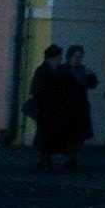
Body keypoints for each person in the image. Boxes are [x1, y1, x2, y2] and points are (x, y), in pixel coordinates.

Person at [27, 44, 71, 173]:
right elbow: (36, 89)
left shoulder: (57, 70)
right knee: (47, 136)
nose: (60, 59)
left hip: (55, 109)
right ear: (53, 57)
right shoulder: (43, 70)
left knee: (49, 136)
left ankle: (44, 160)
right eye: (59, 56)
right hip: (46, 109)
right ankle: (46, 162)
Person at [62, 45, 99, 170]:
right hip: (67, 106)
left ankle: (72, 157)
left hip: (80, 106)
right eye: (76, 56)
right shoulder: (64, 69)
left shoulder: (83, 70)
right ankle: (69, 157)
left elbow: (93, 84)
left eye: (80, 57)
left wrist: (90, 75)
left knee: (78, 135)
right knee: (68, 134)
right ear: (70, 56)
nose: (78, 59)